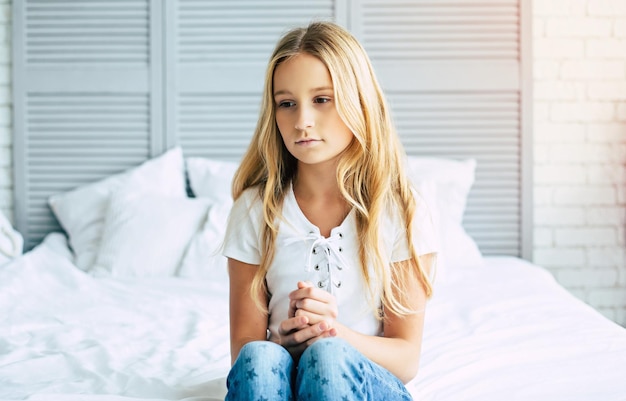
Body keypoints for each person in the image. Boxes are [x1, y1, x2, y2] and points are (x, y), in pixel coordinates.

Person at [222, 21, 438, 401]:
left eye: (322, 99)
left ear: (359, 101)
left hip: (367, 381)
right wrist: (286, 342)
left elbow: (406, 359)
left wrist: (331, 333)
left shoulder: (402, 211)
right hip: (284, 375)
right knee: (259, 356)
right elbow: (243, 347)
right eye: (286, 104)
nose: (302, 120)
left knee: (328, 357)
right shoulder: (254, 211)